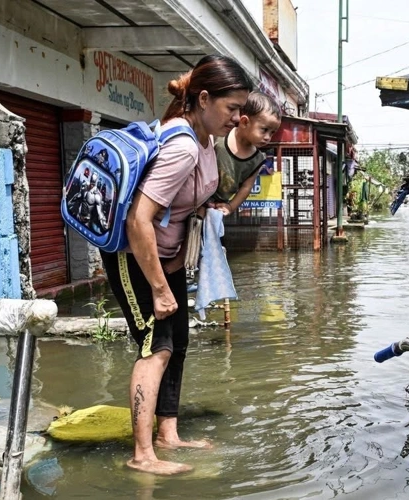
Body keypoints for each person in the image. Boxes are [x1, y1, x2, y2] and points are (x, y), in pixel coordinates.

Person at [99, 55, 253, 475]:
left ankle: (169, 434)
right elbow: (138, 219)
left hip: (166, 257)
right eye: (232, 108)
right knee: (156, 347)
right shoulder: (183, 145)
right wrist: (161, 289)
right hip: (134, 257)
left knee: (178, 342)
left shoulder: (202, 140)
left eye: (242, 109)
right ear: (203, 99)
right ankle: (141, 456)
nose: (239, 118)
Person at [208, 90, 282, 216]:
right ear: (244, 122)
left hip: (217, 208)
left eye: (272, 133)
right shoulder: (220, 135)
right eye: (264, 130)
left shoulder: (257, 159)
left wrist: (230, 207)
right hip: (197, 199)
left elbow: (246, 187)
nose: (267, 137)